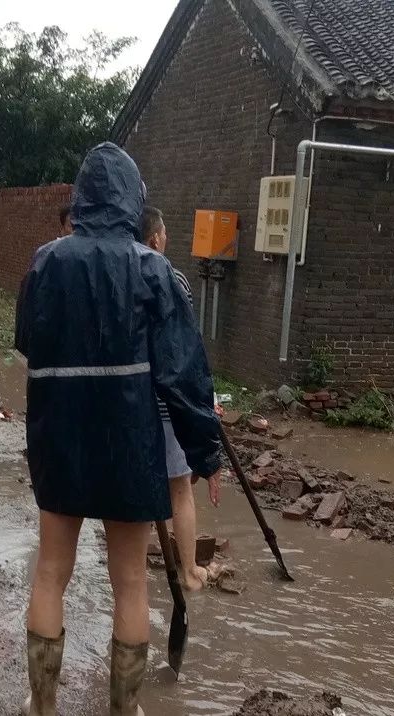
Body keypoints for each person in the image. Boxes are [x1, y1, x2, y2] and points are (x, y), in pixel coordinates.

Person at [15, 143, 222, 716]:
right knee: (130, 580)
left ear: (80, 199)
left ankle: (42, 705)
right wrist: (205, 455)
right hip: (130, 442)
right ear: (133, 200)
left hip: (59, 436)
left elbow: (27, 342)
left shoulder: (44, 263)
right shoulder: (153, 269)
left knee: (51, 570)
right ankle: (124, 709)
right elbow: (183, 371)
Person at [139, 206, 221, 591]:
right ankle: (189, 571)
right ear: (155, 239)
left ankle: (131, 568)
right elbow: (185, 352)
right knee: (180, 488)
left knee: (138, 486)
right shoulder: (175, 280)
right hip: (169, 405)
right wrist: (206, 404)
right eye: (166, 233)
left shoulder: (118, 278)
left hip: (132, 406)